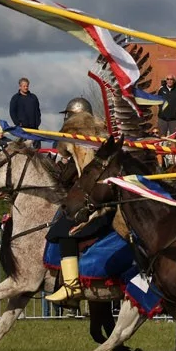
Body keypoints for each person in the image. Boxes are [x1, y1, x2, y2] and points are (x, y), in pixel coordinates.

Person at [44, 98, 119, 305]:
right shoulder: (102, 141)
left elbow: (69, 178)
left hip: (96, 206)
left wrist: (60, 169)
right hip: (102, 202)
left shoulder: (80, 146)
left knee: (64, 230)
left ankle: (71, 285)